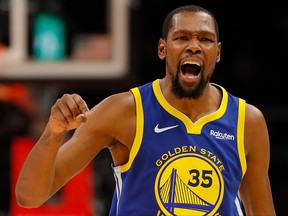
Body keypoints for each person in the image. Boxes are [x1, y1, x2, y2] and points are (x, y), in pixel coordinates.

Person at [15, 5, 276, 215]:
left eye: (205, 40)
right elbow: (30, 196)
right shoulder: (124, 111)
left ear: (217, 53)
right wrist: (54, 131)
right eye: (182, 37)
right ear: (162, 49)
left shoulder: (247, 121)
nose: (194, 46)